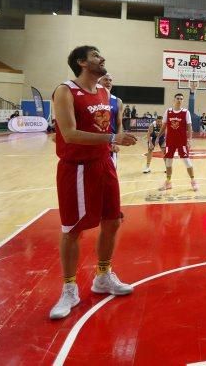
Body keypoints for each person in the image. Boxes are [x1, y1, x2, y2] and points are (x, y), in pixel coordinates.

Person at [49, 46, 138, 320]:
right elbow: (70, 134)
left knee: (112, 221)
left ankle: (102, 276)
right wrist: (112, 138)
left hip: (104, 164)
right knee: (73, 230)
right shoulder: (64, 91)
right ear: (81, 62)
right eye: (96, 55)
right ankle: (69, 288)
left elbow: (107, 127)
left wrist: (113, 140)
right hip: (76, 168)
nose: (102, 59)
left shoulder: (104, 92)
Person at [160, 92, 198, 191]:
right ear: (174, 99)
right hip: (170, 141)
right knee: (168, 162)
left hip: (182, 141)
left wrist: (189, 139)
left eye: (181, 98)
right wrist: (158, 137)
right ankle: (168, 182)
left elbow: (189, 127)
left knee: (187, 162)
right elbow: (164, 126)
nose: (179, 100)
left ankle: (193, 181)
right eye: (178, 98)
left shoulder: (186, 112)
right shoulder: (168, 111)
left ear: (183, 100)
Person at [98, 74, 123, 167]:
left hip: (111, 143)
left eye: (110, 80)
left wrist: (117, 141)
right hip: (95, 142)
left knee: (111, 175)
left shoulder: (117, 101)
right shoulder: (92, 98)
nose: (108, 82)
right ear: (98, 82)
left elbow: (119, 123)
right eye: (105, 80)